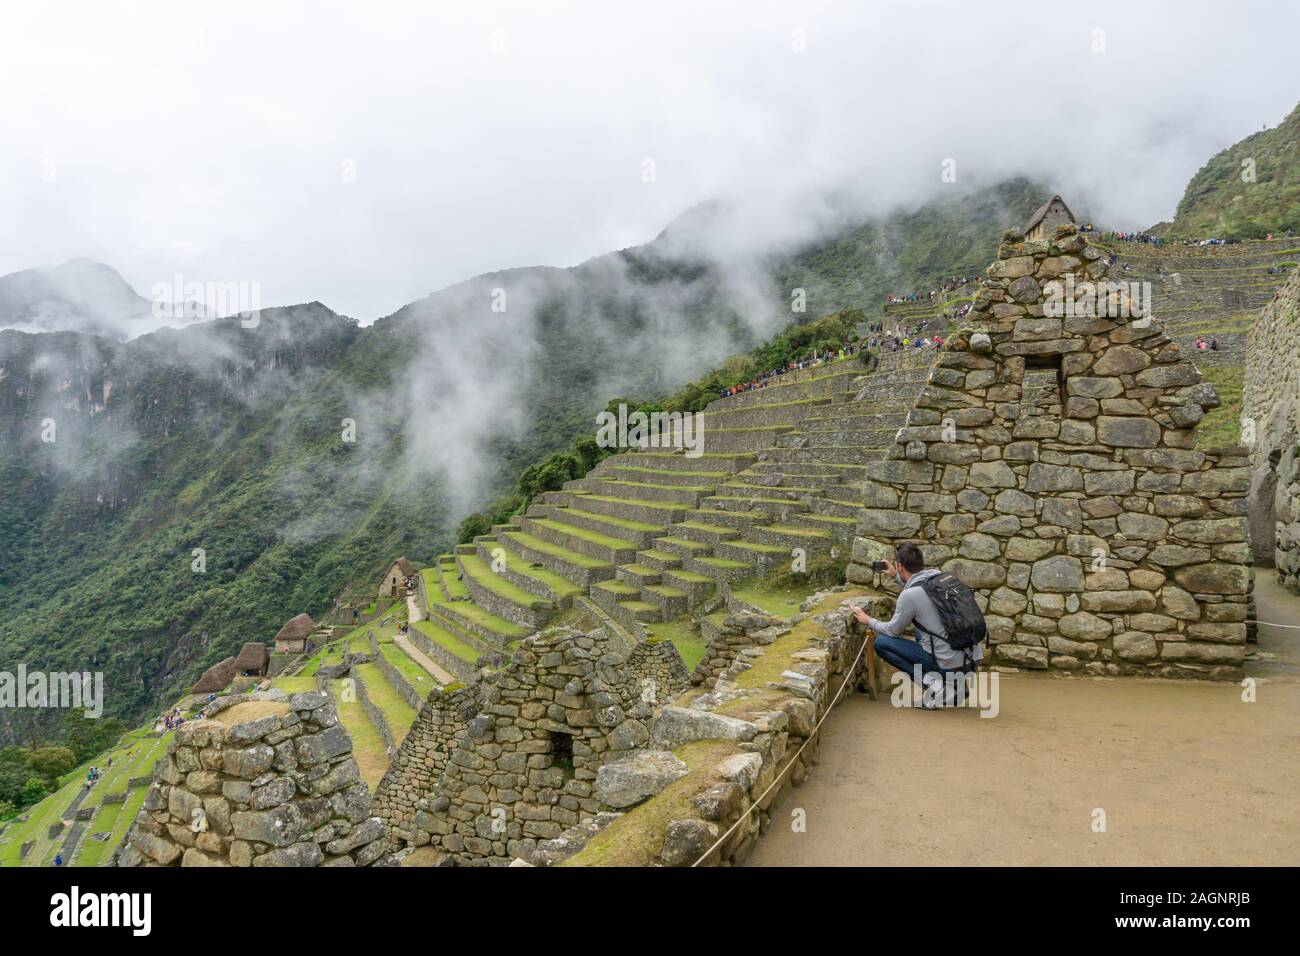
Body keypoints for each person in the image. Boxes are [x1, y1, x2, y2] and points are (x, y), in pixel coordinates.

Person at [850, 542, 983, 705]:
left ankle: (935, 689)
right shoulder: (939, 577)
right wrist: (895, 576)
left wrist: (868, 620)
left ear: (900, 566)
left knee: (882, 643)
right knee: (921, 632)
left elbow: (893, 631)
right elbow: (921, 593)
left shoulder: (909, 596)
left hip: (948, 665)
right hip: (970, 660)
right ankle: (958, 686)